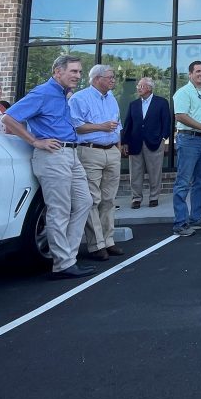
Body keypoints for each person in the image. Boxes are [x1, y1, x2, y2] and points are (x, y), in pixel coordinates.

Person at [3, 55, 95, 279]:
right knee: (59, 210)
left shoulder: (63, 95)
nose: (78, 76)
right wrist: (35, 141)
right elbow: (9, 118)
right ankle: (63, 264)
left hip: (71, 154)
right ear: (57, 72)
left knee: (85, 202)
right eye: (73, 71)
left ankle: (68, 257)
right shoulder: (42, 93)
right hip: (53, 156)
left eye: (80, 72)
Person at [68, 64, 124, 261]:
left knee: (109, 199)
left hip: (111, 152)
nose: (113, 80)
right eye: (110, 76)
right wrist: (101, 126)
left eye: (113, 77)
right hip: (90, 151)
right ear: (97, 78)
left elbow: (117, 126)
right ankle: (96, 244)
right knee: (93, 199)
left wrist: (118, 147)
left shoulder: (112, 99)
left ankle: (109, 241)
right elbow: (76, 126)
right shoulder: (79, 98)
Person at [171, 61, 201, 236]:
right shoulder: (183, 92)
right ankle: (180, 223)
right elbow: (180, 116)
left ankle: (196, 218)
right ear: (190, 74)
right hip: (189, 139)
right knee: (183, 182)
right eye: (198, 71)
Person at [121, 76, 172, 209]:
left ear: (149, 88)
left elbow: (167, 122)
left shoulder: (161, 102)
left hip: (155, 142)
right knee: (135, 173)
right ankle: (136, 198)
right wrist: (125, 141)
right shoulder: (134, 104)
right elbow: (128, 124)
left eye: (141, 86)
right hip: (135, 142)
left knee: (155, 172)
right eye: (138, 86)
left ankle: (154, 197)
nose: (138, 88)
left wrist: (163, 138)